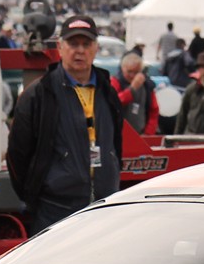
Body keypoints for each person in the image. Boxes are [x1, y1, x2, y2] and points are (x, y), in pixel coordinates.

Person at [7, 15, 123, 233]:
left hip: (103, 208)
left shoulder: (108, 92)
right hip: (55, 211)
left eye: (86, 44)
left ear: (96, 48)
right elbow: (17, 155)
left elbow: (116, 144)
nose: (80, 50)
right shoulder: (39, 94)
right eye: (73, 43)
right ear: (60, 47)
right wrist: (36, 196)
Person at [113, 52, 159, 135]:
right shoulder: (115, 82)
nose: (132, 76)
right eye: (129, 72)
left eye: (136, 72)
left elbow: (154, 111)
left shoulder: (147, 85)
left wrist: (148, 133)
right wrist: (132, 89)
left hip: (141, 134)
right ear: (123, 68)